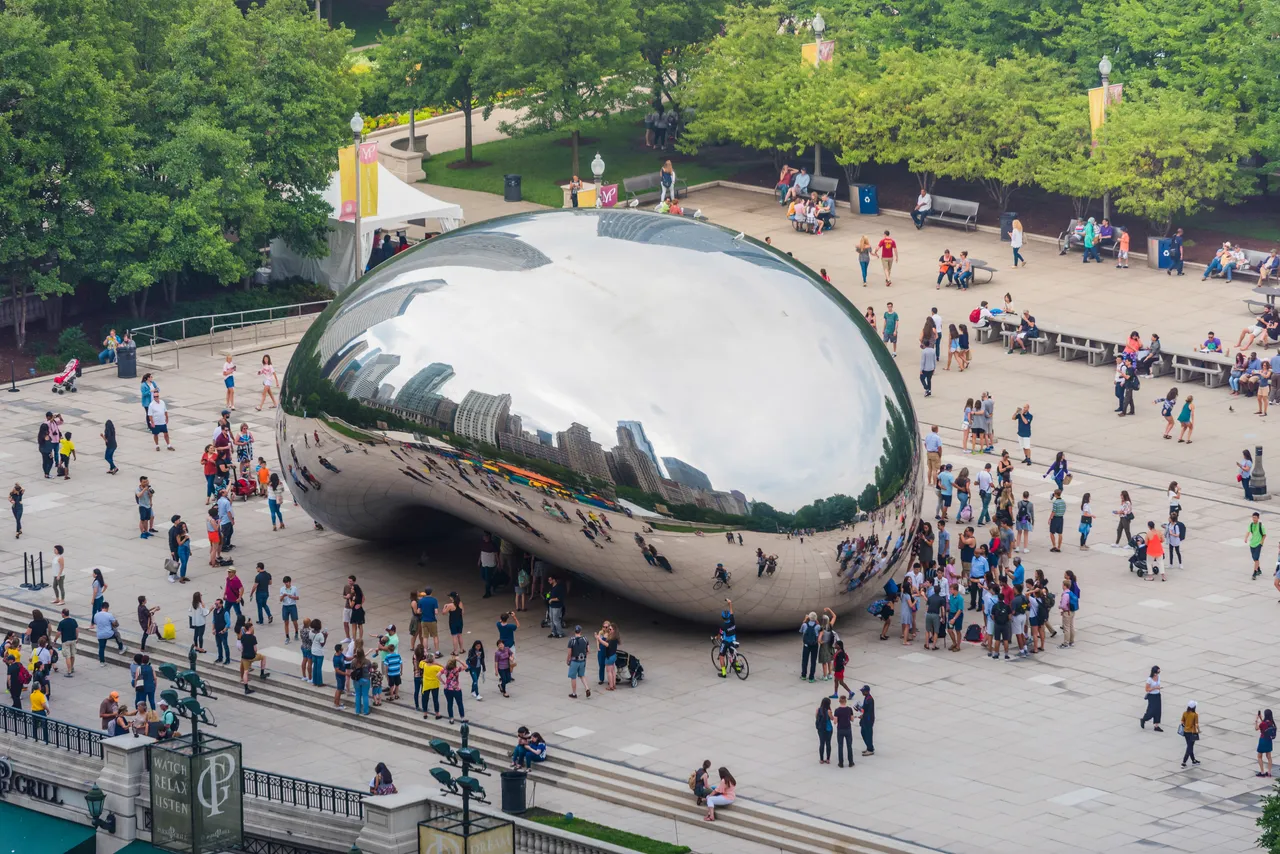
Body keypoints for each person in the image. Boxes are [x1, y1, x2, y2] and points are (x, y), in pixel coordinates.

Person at [566, 625, 591, 699]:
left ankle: (574, 693)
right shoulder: (585, 639)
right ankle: (587, 688)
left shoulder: (571, 640)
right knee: (582, 675)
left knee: (573, 677)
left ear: (575, 631)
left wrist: (568, 660)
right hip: (582, 660)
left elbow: (569, 653)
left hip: (574, 661)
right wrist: (585, 656)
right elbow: (588, 650)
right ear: (580, 631)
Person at [1141, 666, 1163, 731]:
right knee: (1151, 710)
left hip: (1157, 695)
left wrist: (1158, 688)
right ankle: (1144, 719)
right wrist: (1155, 688)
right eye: (1157, 672)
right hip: (1152, 696)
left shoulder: (1158, 677)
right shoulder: (1149, 679)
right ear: (1154, 672)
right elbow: (1147, 689)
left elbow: (1158, 684)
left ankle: (1156, 726)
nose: (1158, 674)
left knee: (1158, 710)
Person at [815, 697, 834, 764]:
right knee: (828, 743)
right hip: (828, 728)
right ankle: (828, 759)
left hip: (820, 729)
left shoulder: (818, 710)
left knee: (822, 743)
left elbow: (816, 717)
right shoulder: (828, 711)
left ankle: (821, 759)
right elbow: (832, 718)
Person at [1181, 702, 1200, 767]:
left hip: (1186, 732)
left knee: (1190, 746)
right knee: (1189, 747)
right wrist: (1199, 731)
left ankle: (1193, 760)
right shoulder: (1195, 715)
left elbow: (1182, 721)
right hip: (1192, 732)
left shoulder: (1185, 713)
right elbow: (1196, 724)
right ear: (1194, 707)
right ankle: (1184, 762)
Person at [1248, 511, 1267, 579]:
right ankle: (1258, 569)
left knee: (1256, 559)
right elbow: (1248, 532)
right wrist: (1246, 538)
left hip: (1258, 544)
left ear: (1258, 518)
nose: (1254, 519)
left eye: (1255, 517)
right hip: (1252, 544)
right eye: (1253, 517)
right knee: (1254, 558)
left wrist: (1261, 542)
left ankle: (1254, 573)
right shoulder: (1251, 525)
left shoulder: (1261, 525)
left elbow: (1264, 535)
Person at [1259, 710, 1276, 778]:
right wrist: (1261, 718)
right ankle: (1269, 772)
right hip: (1269, 741)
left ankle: (1262, 772)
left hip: (1263, 740)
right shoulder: (1271, 723)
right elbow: (1265, 724)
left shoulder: (1263, 724)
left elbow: (1257, 728)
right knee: (1269, 757)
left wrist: (1256, 721)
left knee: (1259, 756)